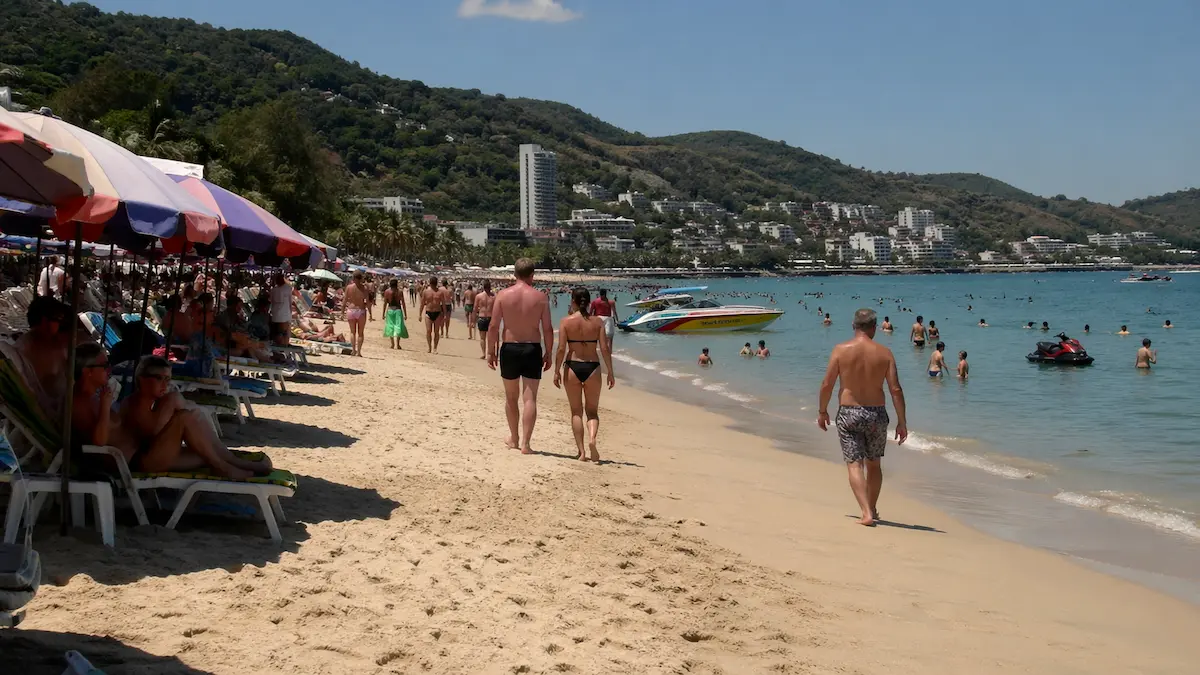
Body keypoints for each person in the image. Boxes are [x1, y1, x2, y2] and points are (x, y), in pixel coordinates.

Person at [817, 308, 908, 527]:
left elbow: (827, 384)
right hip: (876, 413)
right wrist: (902, 421)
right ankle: (873, 508)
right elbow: (895, 389)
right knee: (874, 464)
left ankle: (866, 512)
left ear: (853, 326)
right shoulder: (885, 353)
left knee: (854, 464)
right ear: (875, 327)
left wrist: (822, 410)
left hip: (849, 412)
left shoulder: (840, 350)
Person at [112, 356, 271, 478]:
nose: (165, 384)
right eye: (159, 378)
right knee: (184, 416)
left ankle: (232, 461)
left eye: (167, 379)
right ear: (142, 379)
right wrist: (171, 403)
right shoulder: (135, 403)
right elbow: (152, 436)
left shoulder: (152, 402)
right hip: (143, 462)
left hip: (156, 456)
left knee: (203, 452)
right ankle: (223, 467)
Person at [487, 259, 554, 455]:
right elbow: (548, 328)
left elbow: (493, 325)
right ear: (532, 275)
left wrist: (491, 351)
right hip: (532, 348)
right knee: (530, 398)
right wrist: (548, 352)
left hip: (509, 348)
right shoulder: (541, 297)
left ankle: (514, 438)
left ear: (514, 274)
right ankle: (526, 443)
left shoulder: (503, 295)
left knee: (511, 397)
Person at [553, 288, 616, 462]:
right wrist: (610, 372)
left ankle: (581, 452)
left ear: (573, 300)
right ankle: (592, 439)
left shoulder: (566, 321)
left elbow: (561, 349)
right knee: (592, 412)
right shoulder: (597, 322)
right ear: (589, 302)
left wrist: (556, 371)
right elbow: (604, 349)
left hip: (573, 366)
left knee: (576, 412)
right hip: (593, 368)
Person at [0, 296, 71, 420]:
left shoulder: (31, 343)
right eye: (59, 320)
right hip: (50, 418)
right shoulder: (34, 349)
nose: (60, 326)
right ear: (45, 321)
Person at [344, 272, 369, 356]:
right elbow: (367, 302)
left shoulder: (349, 287)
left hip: (351, 310)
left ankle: (353, 351)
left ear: (353, 278)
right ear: (361, 278)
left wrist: (342, 311)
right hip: (361, 310)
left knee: (352, 332)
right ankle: (359, 352)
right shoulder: (364, 288)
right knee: (360, 333)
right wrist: (371, 313)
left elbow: (345, 300)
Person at [268, 273, 294, 346]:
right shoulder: (288, 288)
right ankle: (285, 343)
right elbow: (290, 302)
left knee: (278, 332)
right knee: (286, 331)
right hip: (285, 314)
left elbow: (271, 301)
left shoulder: (273, 290)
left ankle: (279, 343)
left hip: (275, 315)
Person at [419, 277, 443, 354]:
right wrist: (420, 314)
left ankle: (435, 348)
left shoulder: (440, 292)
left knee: (436, 331)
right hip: (428, 312)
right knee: (429, 331)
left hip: (437, 313)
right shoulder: (426, 292)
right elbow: (422, 303)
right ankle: (429, 347)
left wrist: (444, 314)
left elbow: (443, 305)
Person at [383, 279, 408, 350]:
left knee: (390, 326)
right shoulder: (399, 292)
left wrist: (383, 313)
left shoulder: (387, 291)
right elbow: (403, 303)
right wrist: (405, 314)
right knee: (398, 326)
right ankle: (398, 344)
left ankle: (392, 344)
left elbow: (385, 303)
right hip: (398, 310)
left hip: (390, 310)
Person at [474, 280, 495, 360]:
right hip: (490, 318)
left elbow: (475, 309)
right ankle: (490, 353)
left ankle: (483, 354)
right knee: (491, 338)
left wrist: (473, 320)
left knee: (482, 338)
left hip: (482, 317)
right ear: (490, 287)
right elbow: (496, 309)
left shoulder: (479, 296)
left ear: (483, 287)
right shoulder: (493, 296)